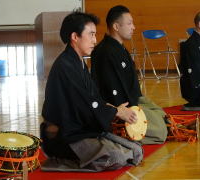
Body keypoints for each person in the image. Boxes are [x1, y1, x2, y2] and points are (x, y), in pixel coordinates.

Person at [40, 11, 143, 172]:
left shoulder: (78, 63)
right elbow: (85, 104)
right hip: (66, 137)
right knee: (116, 158)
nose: (95, 40)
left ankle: (82, 157)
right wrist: (115, 112)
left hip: (81, 130)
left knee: (136, 150)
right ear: (75, 37)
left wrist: (115, 110)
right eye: (91, 35)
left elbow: (94, 99)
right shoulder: (65, 66)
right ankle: (60, 161)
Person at [91, 5, 168, 145]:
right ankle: (122, 135)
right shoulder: (105, 51)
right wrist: (129, 111)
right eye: (129, 23)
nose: (133, 27)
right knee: (160, 129)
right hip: (121, 107)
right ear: (116, 26)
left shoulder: (118, 48)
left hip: (134, 100)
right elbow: (111, 90)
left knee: (162, 114)